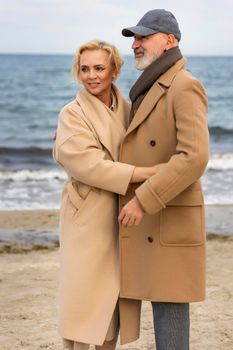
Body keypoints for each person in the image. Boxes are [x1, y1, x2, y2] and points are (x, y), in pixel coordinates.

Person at [53, 40, 157, 350]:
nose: (91, 76)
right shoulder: (72, 113)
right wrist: (146, 174)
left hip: (123, 214)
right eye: (84, 69)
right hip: (86, 218)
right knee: (83, 299)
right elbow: (90, 166)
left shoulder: (127, 110)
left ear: (114, 70)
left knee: (111, 306)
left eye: (99, 68)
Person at [118, 9, 209, 349]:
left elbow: (195, 156)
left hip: (166, 212)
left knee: (169, 312)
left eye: (143, 37)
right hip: (150, 216)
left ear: (170, 41)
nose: (136, 44)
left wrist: (143, 199)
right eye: (134, 38)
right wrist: (74, 131)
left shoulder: (184, 86)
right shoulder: (149, 84)